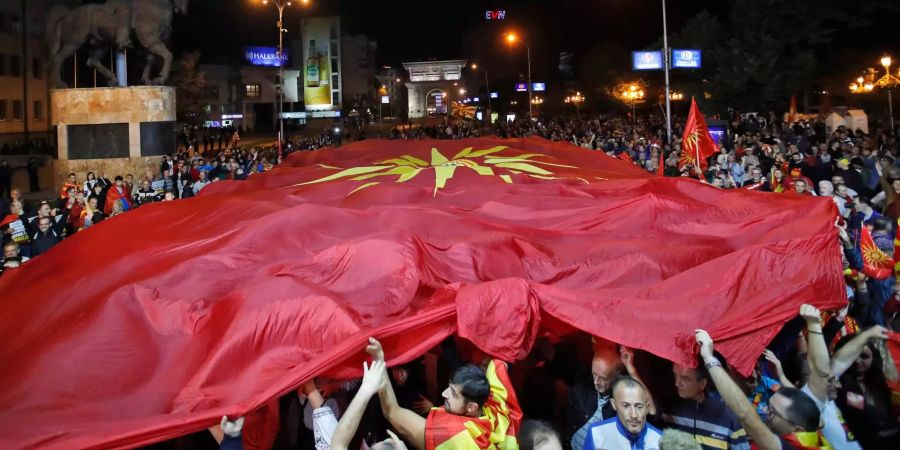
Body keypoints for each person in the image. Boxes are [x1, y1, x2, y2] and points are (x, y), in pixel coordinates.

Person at [364, 337, 522, 450]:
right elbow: (499, 362)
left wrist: (379, 360)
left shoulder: (454, 436)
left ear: (472, 407)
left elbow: (392, 411)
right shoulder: (499, 408)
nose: (444, 394)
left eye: (453, 393)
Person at [695, 322, 829, 450]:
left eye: (772, 412)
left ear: (798, 430)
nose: (765, 412)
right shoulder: (713, 398)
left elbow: (818, 421)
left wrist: (781, 376)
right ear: (730, 367)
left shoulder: (768, 385)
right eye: (746, 370)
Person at [800, 303, 888, 450]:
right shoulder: (815, 404)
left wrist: (868, 335)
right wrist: (814, 326)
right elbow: (822, 370)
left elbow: (839, 362)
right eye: (832, 380)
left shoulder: (867, 395)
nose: (838, 384)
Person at [568, 346, 652, 450]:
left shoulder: (622, 399)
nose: (596, 382)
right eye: (594, 374)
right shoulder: (582, 386)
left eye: (603, 378)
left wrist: (631, 369)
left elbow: (651, 411)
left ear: (615, 378)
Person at [661, 363, 749, 450]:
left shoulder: (728, 416)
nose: (677, 383)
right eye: (675, 375)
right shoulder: (667, 410)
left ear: (702, 384)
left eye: (685, 378)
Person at [581, 376, 662, 450]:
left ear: (647, 408)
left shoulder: (661, 440)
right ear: (614, 404)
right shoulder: (597, 433)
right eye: (626, 406)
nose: (634, 415)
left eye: (639, 407)